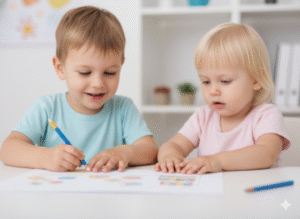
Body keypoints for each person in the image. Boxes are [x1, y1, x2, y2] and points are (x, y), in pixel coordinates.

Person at [0, 6, 158, 172]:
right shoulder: (47, 107)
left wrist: (126, 152)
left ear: (120, 66)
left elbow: (151, 151)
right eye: (85, 72)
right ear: (60, 68)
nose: (98, 83)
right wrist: (46, 158)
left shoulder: (123, 108)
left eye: (110, 72)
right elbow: (8, 149)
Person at [155, 23, 290, 175]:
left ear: (256, 79)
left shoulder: (266, 114)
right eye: (206, 81)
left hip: (254, 195)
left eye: (225, 81)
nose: (213, 91)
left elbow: (267, 154)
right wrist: (169, 156)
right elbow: (174, 144)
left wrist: (216, 161)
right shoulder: (203, 116)